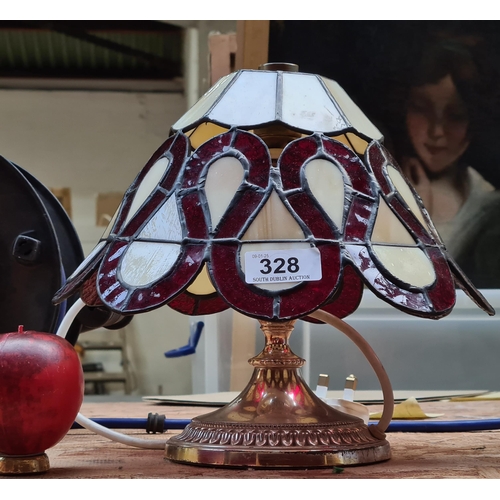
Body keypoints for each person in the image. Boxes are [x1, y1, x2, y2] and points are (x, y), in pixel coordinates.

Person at [395, 39, 500, 288]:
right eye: (422, 109)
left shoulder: (489, 207)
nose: (437, 131)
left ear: (475, 119)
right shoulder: (374, 184)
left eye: (455, 116)